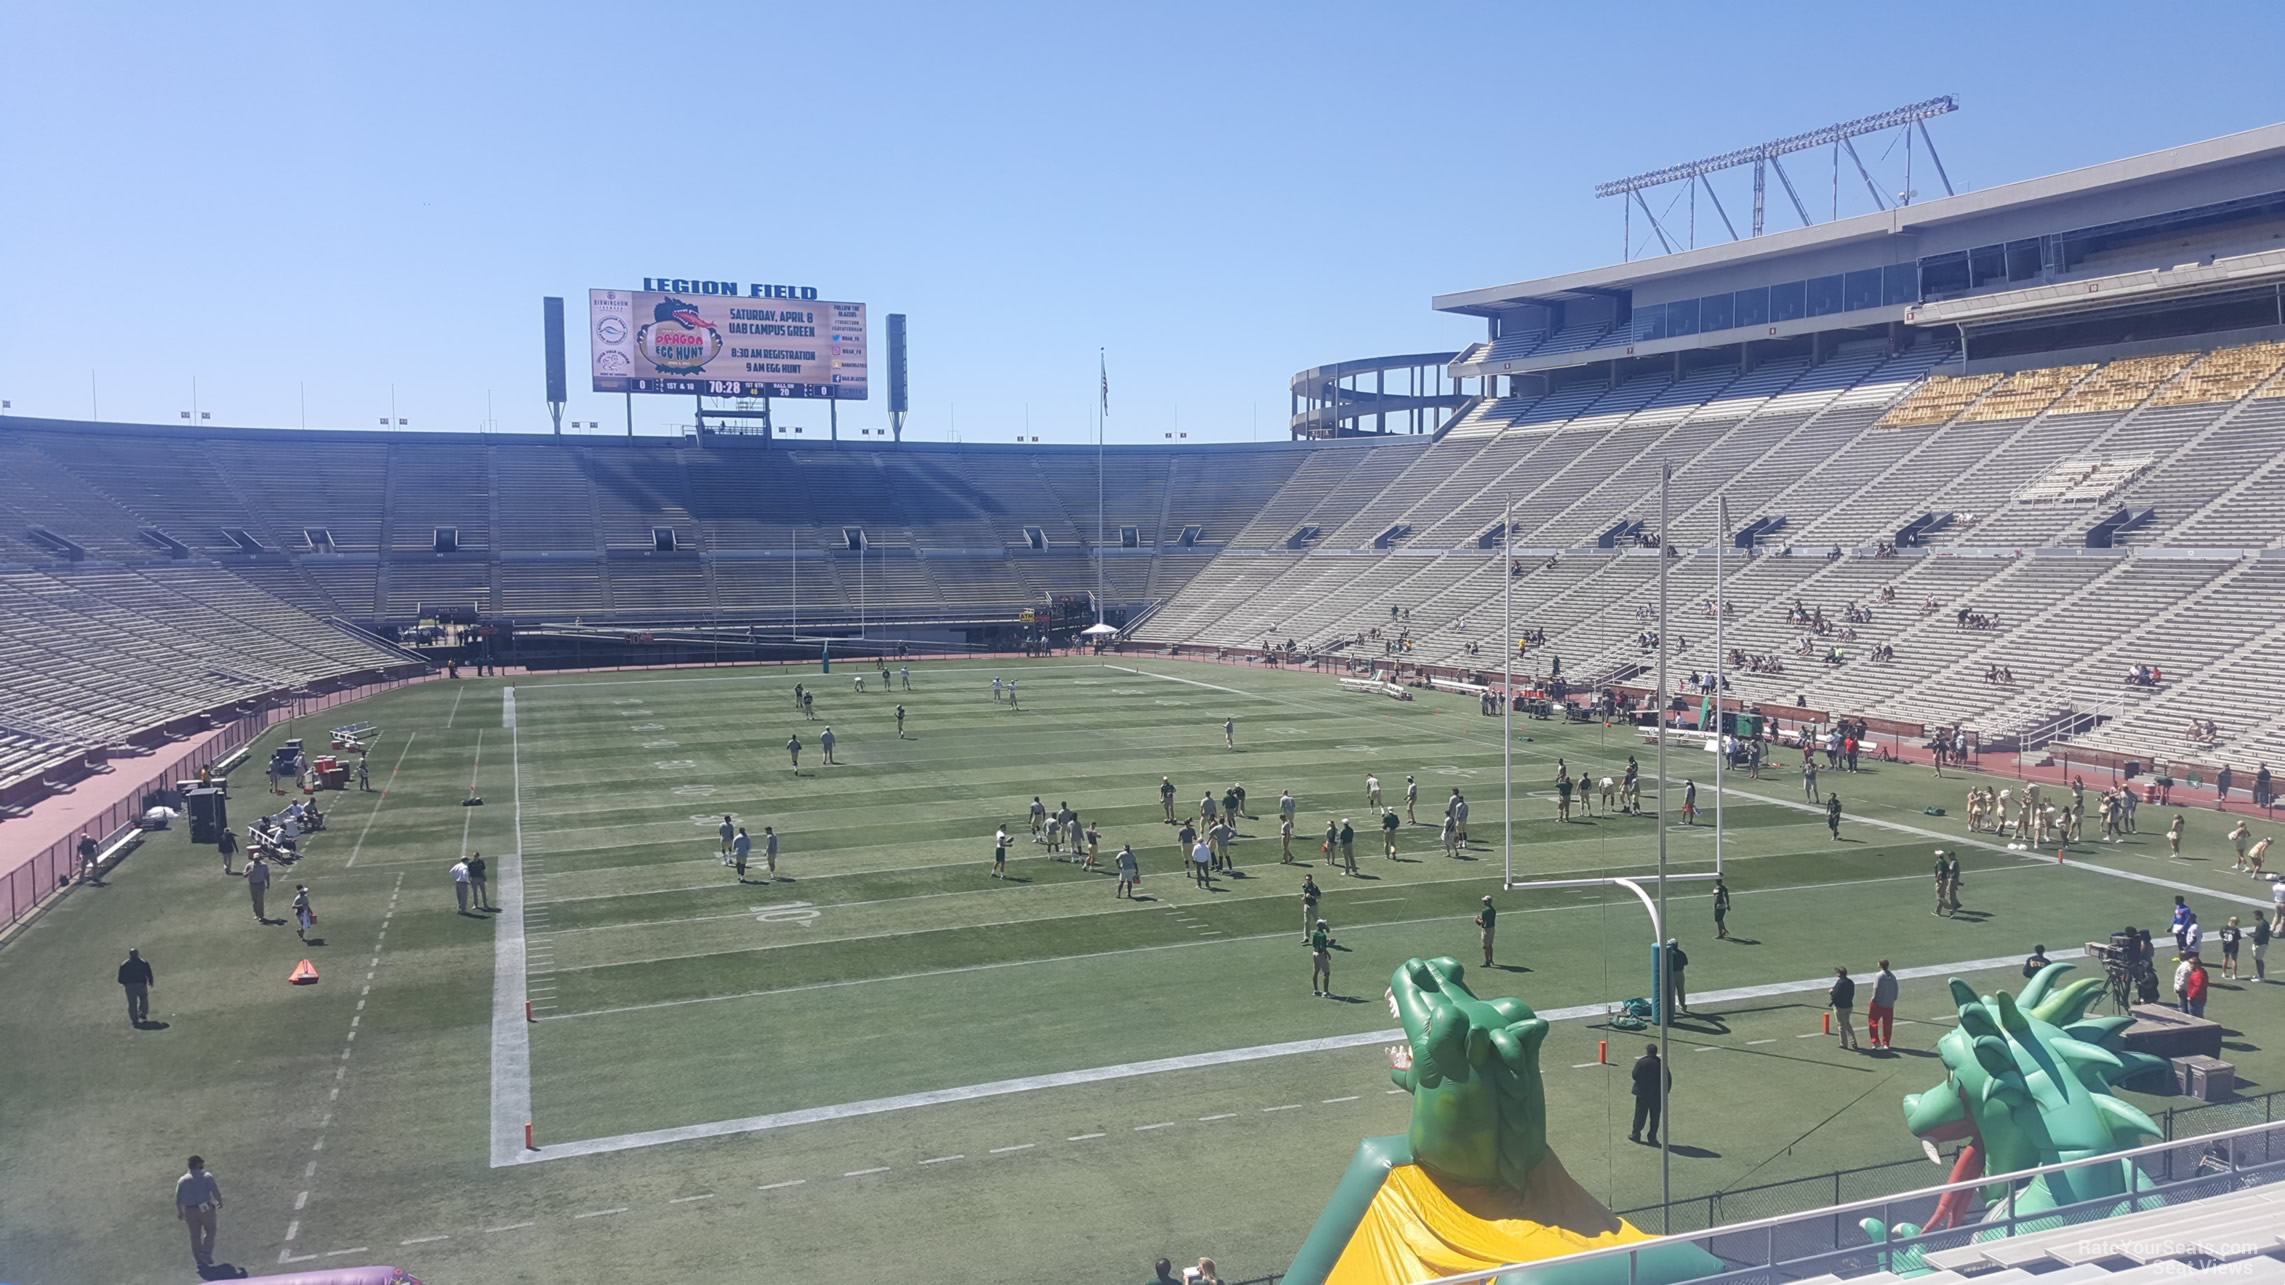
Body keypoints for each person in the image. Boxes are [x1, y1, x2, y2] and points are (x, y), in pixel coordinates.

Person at [175, 1155, 223, 1270]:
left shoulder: (182, 1180)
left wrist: (180, 1212)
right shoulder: (206, 1176)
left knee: (195, 1235)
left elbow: (178, 1198)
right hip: (205, 1209)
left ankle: (199, 1261)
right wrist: (219, 1201)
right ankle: (205, 1253)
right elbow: (214, 1190)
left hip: (189, 1211)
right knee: (211, 1230)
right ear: (197, 1164)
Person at [1628, 1043, 1667, 1145]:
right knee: (1655, 1117)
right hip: (1657, 1095)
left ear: (1647, 1051)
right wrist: (1665, 1092)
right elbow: (1668, 1079)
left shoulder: (1642, 1062)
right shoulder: (1661, 1064)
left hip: (1643, 1094)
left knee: (1640, 1115)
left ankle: (1636, 1135)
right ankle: (1652, 1138)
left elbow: (1635, 1075)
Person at [118, 948, 154, 1027]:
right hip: (141, 984)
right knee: (143, 998)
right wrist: (150, 981)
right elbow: (148, 973)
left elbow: (120, 978)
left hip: (129, 986)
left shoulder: (125, 964)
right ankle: (143, 1013)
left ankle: (134, 1019)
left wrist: (124, 983)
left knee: (132, 1003)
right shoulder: (143, 962)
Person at [1869, 960, 1899, 1050]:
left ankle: (1876, 1042)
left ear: (1880, 965)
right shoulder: (1892, 976)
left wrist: (1874, 998)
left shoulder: (1879, 975)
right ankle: (1886, 1043)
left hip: (1878, 1003)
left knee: (1873, 1022)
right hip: (1889, 1004)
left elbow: (1876, 987)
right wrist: (1893, 999)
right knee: (1887, 1024)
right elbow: (1896, 988)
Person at [1829, 966, 1860, 1050]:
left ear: (1839, 974)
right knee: (1847, 1024)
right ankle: (1854, 1042)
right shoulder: (1850, 982)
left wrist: (1831, 992)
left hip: (1840, 1007)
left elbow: (1835, 995)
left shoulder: (1840, 983)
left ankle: (1844, 1044)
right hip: (1849, 1005)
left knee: (1841, 1026)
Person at [1664, 938, 1690, 1018]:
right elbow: (1686, 963)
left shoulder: (1668, 954)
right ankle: (1683, 1006)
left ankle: (1671, 1009)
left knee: (1671, 991)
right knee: (1681, 990)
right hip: (1680, 973)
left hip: (1672, 974)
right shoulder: (1681, 953)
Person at [1310, 919, 1335, 996]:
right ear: (1321, 926)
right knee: (1326, 973)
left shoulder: (1316, 933)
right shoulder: (1323, 935)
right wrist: (1328, 954)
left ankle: (1316, 990)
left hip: (1314, 953)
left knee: (1316, 971)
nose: (1325, 925)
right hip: (1320, 954)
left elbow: (1315, 944)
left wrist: (1327, 941)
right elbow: (1322, 947)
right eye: (1324, 924)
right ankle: (1325, 992)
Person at [2182, 953, 2210, 1017]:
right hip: (2199, 998)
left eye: (2191, 964)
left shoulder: (2199, 974)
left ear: (2196, 964)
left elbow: (2197, 987)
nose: (2190, 965)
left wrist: (2191, 996)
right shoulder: (2199, 972)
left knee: (2195, 1016)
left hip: (2196, 999)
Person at [247, 852, 271, 922]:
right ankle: (257, 914)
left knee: (260, 900)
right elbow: (244, 875)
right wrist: (248, 872)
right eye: (255, 859)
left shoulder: (264, 865)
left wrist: (268, 883)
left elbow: (267, 875)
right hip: (253, 885)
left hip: (261, 884)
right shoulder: (249, 865)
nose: (256, 860)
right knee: (255, 901)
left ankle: (261, 915)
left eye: (257, 859)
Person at [1475, 896, 1498, 967]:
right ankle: (1491, 959)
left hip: (1486, 930)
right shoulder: (1493, 910)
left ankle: (1487, 962)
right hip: (1492, 928)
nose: (1484, 902)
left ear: (1488, 902)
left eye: (1485, 901)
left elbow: (1482, 922)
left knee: (1485, 946)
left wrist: (1476, 919)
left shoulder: (1485, 911)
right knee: (1490, 945)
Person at [2221, 916, 2243, 981]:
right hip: (2234, 944)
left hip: (2225, 944)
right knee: (2234, 959)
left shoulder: (2223, 928)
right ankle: (2234, 975)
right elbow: (2238, 938)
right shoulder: (2236, 930)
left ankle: (2224, 972)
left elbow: (2221, 935)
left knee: (2225, 958)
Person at [1301, 874, 1321, 940]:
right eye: (1306, 879)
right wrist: (1304, 897)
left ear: (1311, 880)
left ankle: (1321, 935)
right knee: (1306, 921)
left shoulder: (1314, 887)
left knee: (1317, 922)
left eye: (1309, 879)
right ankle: (1306, 937)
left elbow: (1319, 897)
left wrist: (1311, 897)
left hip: (1313, 906)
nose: (1307, 881)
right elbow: (1305, 892)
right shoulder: (1304, 885)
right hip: (1306, 905)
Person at [2254, 912, 2272, 983]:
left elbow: (2258, 935)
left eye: (2255, 915)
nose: (2254, 917)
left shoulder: (2261, 924)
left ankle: (2261, 977)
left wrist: (2250, 935)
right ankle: (2260, 975)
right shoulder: (2264, 923)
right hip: (2262, 943)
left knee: (2259, 960)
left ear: (2258, 916)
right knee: (2258, 960)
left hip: (2260, 944)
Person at [1712, 876, 1731, 940]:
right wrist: (1728, 904)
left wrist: (1715, 905)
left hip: (1719, 905)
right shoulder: (1724, 888)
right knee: (1721, 919)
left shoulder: (1716, 888)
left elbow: (1717, 897)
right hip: (1724, 905)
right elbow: (1727, 896)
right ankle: (1724, 930)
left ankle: (1721, 933)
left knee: (1718, 920)